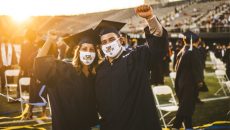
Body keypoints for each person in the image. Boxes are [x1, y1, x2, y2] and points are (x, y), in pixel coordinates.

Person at [94, 5, 168, 130]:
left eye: (111, 39)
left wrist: (150, 19)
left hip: (140, 124)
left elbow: (158, 48)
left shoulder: (137, 56)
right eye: (104, 42)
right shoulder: (100, 69)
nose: (108, 44)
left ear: (121, 40)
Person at [34, 29, 99, 130]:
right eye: (84, 49)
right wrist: (49, 40)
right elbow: (41, 64)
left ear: (95, 53)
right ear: (77, 51)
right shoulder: (64, 69)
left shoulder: (93, 76)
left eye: (91, 49)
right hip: (65, 125)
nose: (88, 52)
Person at [173, 30, 203, 130]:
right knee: (185, 106)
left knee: (187, 106)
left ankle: (189, 127)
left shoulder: (183, 50)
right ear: (197, 40)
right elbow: (196, 67)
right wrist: (199, 81)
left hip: (181, 82)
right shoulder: (193, 51)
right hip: (189, 83)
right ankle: (175, 126)